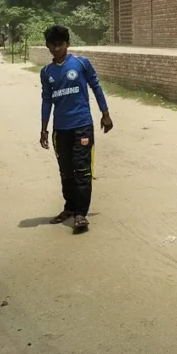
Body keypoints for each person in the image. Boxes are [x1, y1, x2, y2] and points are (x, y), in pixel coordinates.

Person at [39, 25, 113, 231]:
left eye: (60, 45)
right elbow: (46, 100)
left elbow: (96, 87)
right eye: (52, 45)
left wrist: (105, 114)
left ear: (67, 44)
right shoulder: (46, 72)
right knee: (66, 172)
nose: (56, 49)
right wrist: (44, 129)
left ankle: (81, 213)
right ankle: (69, 208)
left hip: (82, 126)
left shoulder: (81, 63)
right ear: (47, 46)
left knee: (82, 170)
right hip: (60, 129)